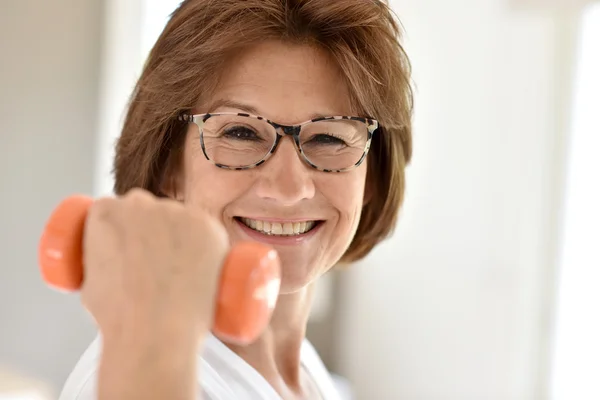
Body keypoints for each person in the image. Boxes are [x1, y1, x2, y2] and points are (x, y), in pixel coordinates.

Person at [57, 0, 413, 399]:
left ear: (373, 177)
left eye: (329, 137)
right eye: (240, 133)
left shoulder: (305, 374)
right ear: (169, 168)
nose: (289, 188)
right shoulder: (139, 377)